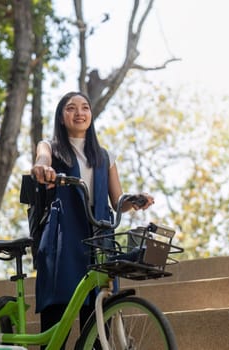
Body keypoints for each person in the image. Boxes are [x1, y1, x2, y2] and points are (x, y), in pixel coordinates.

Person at [31, 91, 154, 348]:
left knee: (100, 319)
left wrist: (136, 200)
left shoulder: (104, 156)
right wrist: (43, 167)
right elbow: (41, 159)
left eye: (85, 107)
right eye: (71, 108)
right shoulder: (49, 147)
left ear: (91, 115)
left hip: (99, 238)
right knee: (58, 316)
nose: (79, 112)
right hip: (63, 236)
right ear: (61, 117)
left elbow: (117, 199)